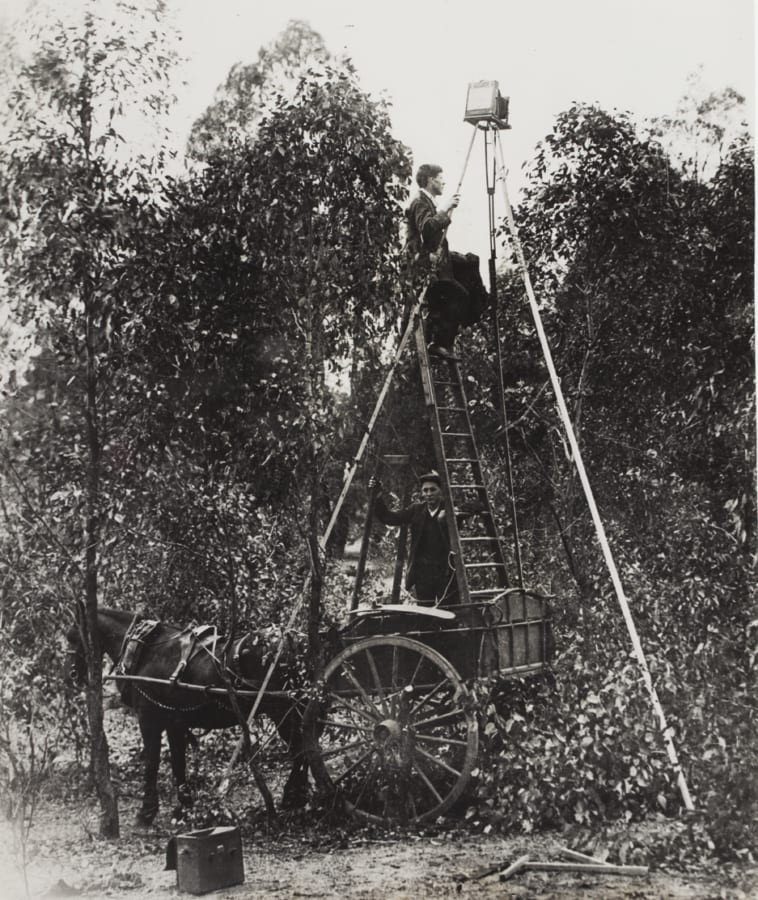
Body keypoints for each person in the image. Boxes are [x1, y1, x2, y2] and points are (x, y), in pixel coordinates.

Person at [405, 164, 472, 361]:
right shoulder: (419, 202)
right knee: (459, 295)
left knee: (469, 267)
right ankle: (440, 342)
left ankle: (445, 333)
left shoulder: (428, 201)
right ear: (431, 180)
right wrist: (446, 208)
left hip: (436, 264)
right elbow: (427, 228)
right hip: (425, 268)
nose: (444, 182)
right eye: (441, 178)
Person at [369, 470, 458, 606]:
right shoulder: (417, 510)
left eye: (432, 490)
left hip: (446, 573)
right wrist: (378, 495)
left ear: (441, 490)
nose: (428, 494)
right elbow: (390, 518)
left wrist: (452, 514)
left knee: (448, 615)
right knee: (424, 616)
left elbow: (477, 506)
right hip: (423, 574)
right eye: (425, 490)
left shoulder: (449, 508)